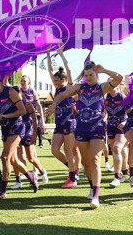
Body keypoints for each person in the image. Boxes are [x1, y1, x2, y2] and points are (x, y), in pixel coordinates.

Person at [50, 61, 122, 209]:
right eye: (86, 75)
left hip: (98, 128)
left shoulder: (102, 87)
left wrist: (105, 70)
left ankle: (96, 196)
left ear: (96, 74)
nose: (88, 78)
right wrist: (53, 104)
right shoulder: (80, 88)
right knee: (86, 163)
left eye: (91, 75)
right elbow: (62, 94)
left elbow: (119, 78)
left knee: (95, 160)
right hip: (81, 129)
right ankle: (92, 186)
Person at [0, 73, 38, 199]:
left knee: (5, 157)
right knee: (13, 160)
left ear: (0, 84)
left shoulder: (10, 92)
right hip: (4, 128)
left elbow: (22, 111)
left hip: (17, 126)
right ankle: (31, 178)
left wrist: (4, 116)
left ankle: (3, 190)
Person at [45, 46, 80, 188]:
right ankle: (73, 170)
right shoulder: (57, 89)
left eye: (57, 81)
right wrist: (47, 54)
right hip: (59, 123)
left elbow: (69, 70)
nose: (55, 83)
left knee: (68, 150)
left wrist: (61, 55)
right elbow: (50, 70)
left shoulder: (69, 88)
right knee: (54, 150)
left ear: (63, 80)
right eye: (54, 81)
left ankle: (72, 179)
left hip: (70, 122)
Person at [16, 77, 49, 186]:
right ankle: (22, 178)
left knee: (31, 156)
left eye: (24, 81)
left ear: (29, 82)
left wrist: (42, 122)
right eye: (21, 81)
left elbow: (38, 107)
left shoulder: (31, 93)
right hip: (19, 127)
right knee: (20, 155)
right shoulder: (17, 92)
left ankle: (40, 172)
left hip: (29, 126)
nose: (22, 82)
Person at [105, 80, 128, 187]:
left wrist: (125, 122)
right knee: (118, 151)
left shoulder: (122, 97)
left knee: (117, 148)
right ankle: (125, 173)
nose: (110, 85)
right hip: (110, 127)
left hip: (121, 127)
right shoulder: (105, 97)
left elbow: (131, 112)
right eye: (108, 83)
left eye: (112, 83)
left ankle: (117, 177)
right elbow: (102, 111)